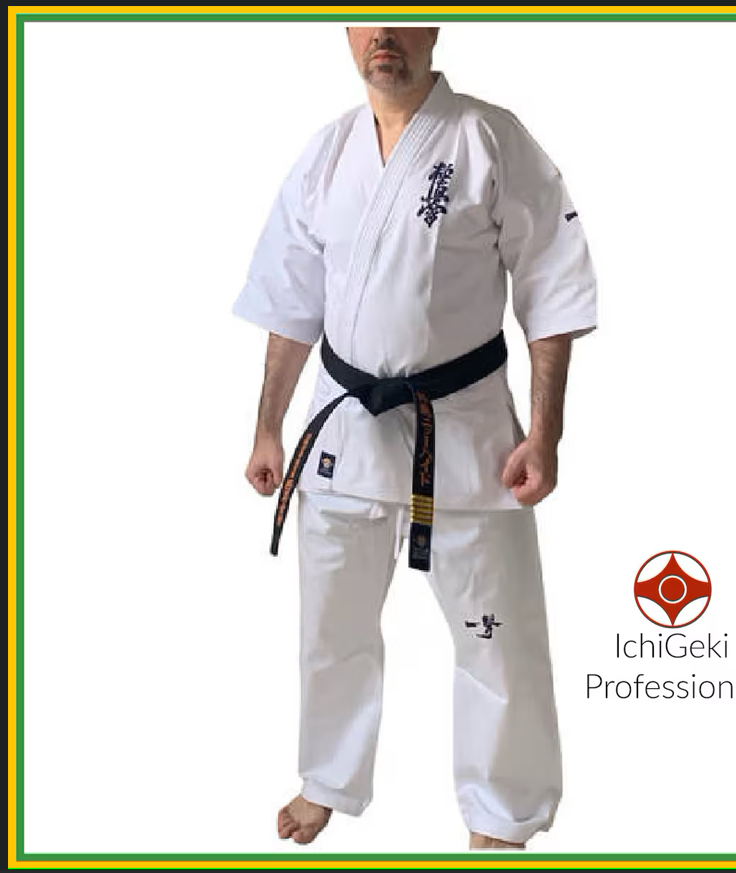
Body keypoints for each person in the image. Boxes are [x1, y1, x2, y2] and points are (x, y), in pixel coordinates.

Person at [233, 26, 597, 850]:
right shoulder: (327, 153)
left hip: (465, 432)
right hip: (344, 427)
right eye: (366, 17)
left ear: (434, 27)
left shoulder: (487, 137)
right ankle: (327, 777)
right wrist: (266, 425)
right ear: (346, 33)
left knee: (493, 630)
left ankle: (501, 808)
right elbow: (291, 298)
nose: (384, 35)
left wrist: (545, 431)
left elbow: (552, 283)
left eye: (403, 15)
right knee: (331, 626)